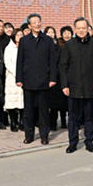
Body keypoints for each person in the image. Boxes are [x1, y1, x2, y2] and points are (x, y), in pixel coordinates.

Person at [60, 17, 93, 153]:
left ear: (88, 28)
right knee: (73, 117)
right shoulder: (69, 45)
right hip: (73, 87)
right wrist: (64, 85)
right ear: (75, 29)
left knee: (90, 116)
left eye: (83, 28)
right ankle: (72, 142)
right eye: (78, 28)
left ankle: (89, 141)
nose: (81, 30)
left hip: (90, 86)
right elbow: (63, 66)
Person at [15, 13, 58, 145]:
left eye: (38, 21)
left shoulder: (48, 40)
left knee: (43, 111)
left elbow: (52, 61)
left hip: (44, 81)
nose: (37, 24)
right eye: (34, 22)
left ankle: (44, 135)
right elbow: (20, 61)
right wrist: (19, 78)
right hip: (28, 81)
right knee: (28, 111)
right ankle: (29, 135)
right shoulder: (24, 41)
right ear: (29, 25)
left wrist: (52, 78)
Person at [45, 26, 68, 132]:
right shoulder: (43, 46)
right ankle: (52, 123)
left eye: (52, 32)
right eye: (48, 32)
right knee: (51, 104)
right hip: (48, 78)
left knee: (61, 102)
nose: (50, 34)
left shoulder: (59, 47)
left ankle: (63, 121)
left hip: (59, 78)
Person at [3, 33, 23, 132]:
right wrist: (17, 74)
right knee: (12, 101)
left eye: (21, 34)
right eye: (18, 35)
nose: (20, 36)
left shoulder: (25, 47)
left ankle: (22, 122)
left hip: (24, 77)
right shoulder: (9, 48)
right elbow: (8, 63)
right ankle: (13, 122)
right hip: (12, 77)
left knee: (22, 101)